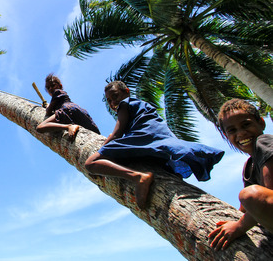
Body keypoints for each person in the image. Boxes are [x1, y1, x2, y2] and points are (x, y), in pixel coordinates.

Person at [85, 81, 224, 209]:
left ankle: (137, 176)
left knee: (90, 163)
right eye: (109, 100)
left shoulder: (125, 104)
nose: (113, 102)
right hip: (158, 139)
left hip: (143, 136)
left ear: (126, 91)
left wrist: (102, 148)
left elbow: (117, 134)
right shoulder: (143, 104)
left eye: (115, 96)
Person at [208, 99, 273, 250]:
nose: (241, 133)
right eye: (232, 130)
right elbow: (244, 210)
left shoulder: (265, 142)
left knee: (251, 195)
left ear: (261, 123)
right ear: (226, 135)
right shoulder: (249, 167)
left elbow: (261, 197)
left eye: (246, 125)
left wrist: (238, 226)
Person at [36, 73, 100, 140]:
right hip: (76, 110)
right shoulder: (59, 97)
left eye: (53, 85)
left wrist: (47, 107)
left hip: (66, 109)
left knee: (40, 127)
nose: (51, 88)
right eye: (48, 88)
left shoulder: (57, 92)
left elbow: (48, 112)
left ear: (60, 86)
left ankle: (68, 127)